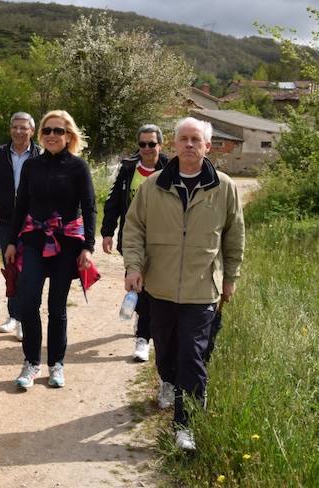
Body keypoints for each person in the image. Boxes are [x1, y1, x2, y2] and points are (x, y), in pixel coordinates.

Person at [123, 117, 245, 452]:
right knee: (165, 353)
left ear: (208, 146)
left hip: (202, 287)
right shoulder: (154, 186)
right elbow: (133, 229)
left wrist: (231, 278)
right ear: (174, 145)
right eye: (183, 139)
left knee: (193, 354)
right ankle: (169, 381)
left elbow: (234, 238)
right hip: (158, 287)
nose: (189, 145)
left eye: (196, 140)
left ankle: (185, 425)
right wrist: (133, 267)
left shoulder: (224, 187)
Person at [4, 111, 95, 391]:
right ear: (40, 135)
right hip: (33, 241)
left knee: (57, 307)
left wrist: (88, 247)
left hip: (66, 245)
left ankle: (56, 363)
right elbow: (20, 206)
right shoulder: (32, 167)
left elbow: (89, 208)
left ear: (68, 136)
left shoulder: (78, 167)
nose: (52, 135)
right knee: (28, 302)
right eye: (48, 131)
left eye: (59, 131)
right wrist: (10, 241)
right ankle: (32, 362)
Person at [101, 124, 169, 362]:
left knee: (150, 291)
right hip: (133, 240)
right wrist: (107, 231)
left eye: (152, 144)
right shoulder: (129, 168)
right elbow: (113, 202)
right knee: (138, 285)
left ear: (160, 145)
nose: (147, 149)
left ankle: (145, 331)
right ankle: (143, 338)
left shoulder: (171, 169)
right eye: (142, 144)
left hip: (163, 242)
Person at [0, 112, 42, 340]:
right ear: (10, 129)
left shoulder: (40, 154)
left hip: (34, 224)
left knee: (31, 271)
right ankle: (14, 316)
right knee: (12, 269)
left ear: (32, 131)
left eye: (23, 128)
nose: (18, 131)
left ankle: (27, 317)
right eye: (14, 127)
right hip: (6, 222)